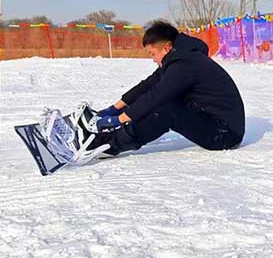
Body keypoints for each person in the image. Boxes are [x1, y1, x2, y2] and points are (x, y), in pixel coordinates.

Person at [72, 21, 245, 161]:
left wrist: (118, 120)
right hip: (209, 117)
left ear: (166, 48)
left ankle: (109, 145)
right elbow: (148, 85)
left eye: (152, 54)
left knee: (166, 110)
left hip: (225, 134)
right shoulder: (180, 58)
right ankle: (96, 132)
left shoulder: (185, 65)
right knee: (158, 102)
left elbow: (156, 96)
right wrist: (114, 109)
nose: (153, 59)